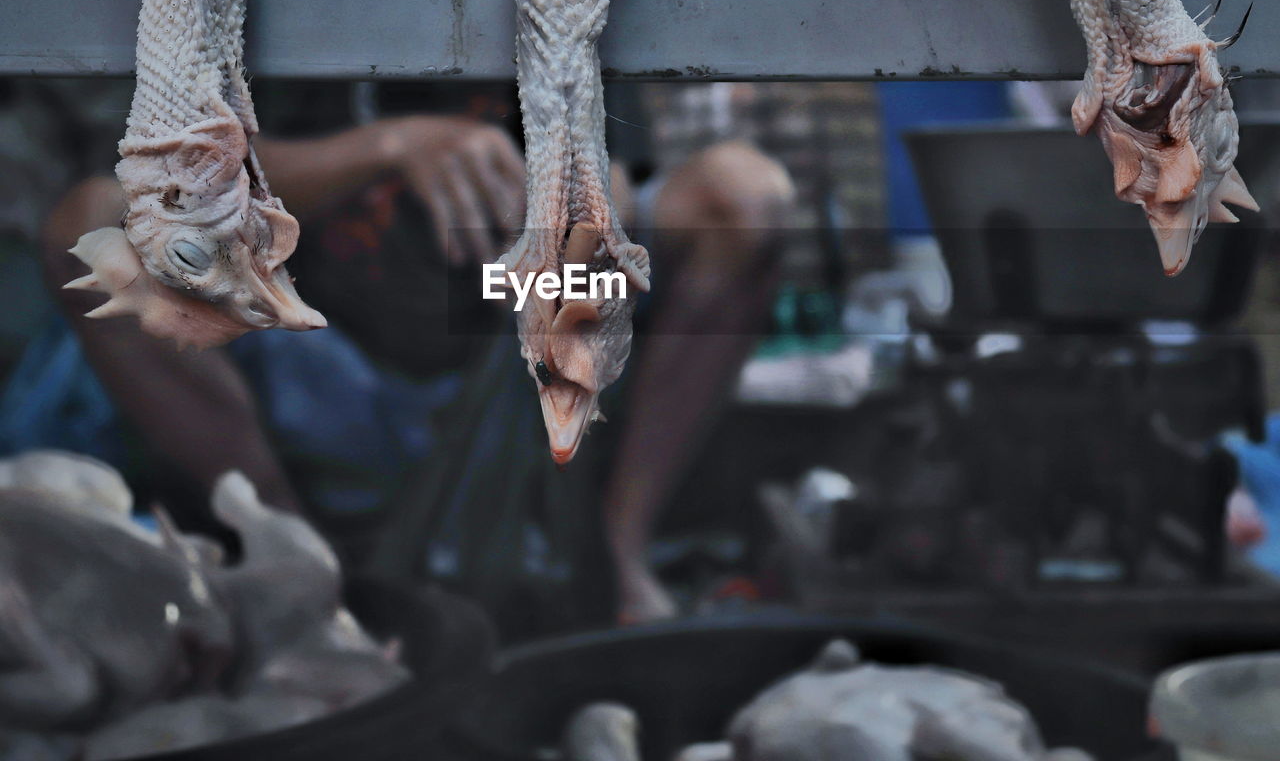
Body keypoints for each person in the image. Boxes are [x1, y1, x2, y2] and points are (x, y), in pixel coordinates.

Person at [24, 80, 794, 625]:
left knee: (744, 196)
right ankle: (293, 555)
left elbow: (623, 177)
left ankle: (619, 554)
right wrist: (388, 148)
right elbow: (167, 172)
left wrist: (585, 211)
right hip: (320, 355)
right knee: (92, 226)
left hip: (515, 345)